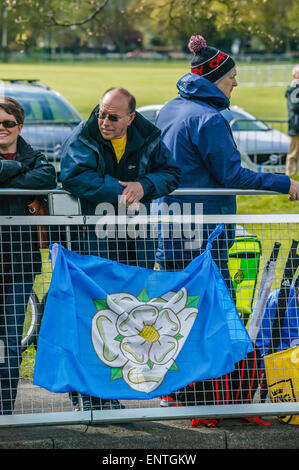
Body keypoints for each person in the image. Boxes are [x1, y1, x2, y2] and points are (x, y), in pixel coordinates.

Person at [60, 87, 181, 410]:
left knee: (122, 321)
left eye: (113, 117)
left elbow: (171, 173)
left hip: (136, 242)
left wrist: (145, 185)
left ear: (130, 118)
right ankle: (87, 395)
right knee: (92, 316)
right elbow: (72, 176)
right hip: (93, 241)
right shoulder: (83, 137)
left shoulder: (149, 137)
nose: (103, 121)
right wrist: (121, 191)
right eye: (100, 113)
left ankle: (108, 393)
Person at [154, 34, 299, 302]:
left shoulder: (171, 108)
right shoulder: (207, 118)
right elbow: (232, 175)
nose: (236, 82)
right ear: (214, 77)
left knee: (175, 311)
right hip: (203, 233)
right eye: (231, 76)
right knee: (221, 312)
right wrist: (285, 183)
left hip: (167, 222)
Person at [0, 96, 56, 415]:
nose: (2, 129)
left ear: (20, 126)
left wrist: (9, 173)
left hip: (19, 265)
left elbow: (47, 178)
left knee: (9, 340)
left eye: (8, 123)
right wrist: (15, 169)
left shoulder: (34, 157)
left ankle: (4, 407)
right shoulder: (26, 162)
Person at [285, 64, 299, 176]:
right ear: (294, 75)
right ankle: (291, 177)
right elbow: (295, 107)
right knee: (293, 153)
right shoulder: (294, 88)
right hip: (296, 125)